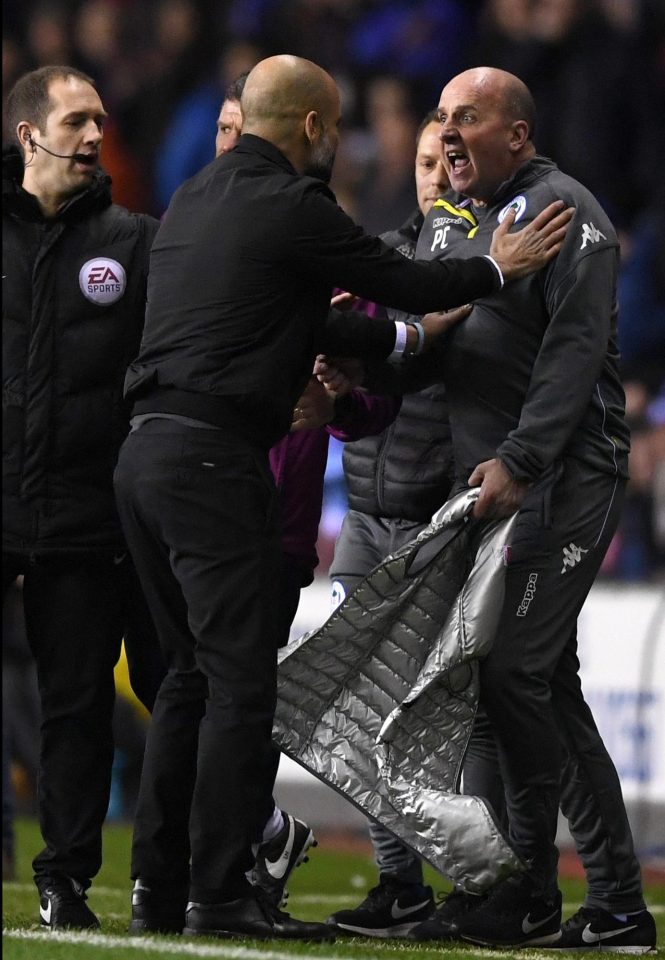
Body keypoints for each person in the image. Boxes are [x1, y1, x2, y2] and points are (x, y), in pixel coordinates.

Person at [113, 53, 571, 942]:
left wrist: (394, 343)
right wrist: (494, 268)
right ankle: (220, 893)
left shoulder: (198, 201)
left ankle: (157, 887)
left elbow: (309, 319)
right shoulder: (296, 206)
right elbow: (406, 276)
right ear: (315, 129)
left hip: (143, 461)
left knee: (187, 685)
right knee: (240, 689)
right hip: (213, 465)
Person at [329, 66, 655, 953]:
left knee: (517, 675)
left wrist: (518, 460)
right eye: (437, 118)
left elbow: (574, 352)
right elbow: (439, 349)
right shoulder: (454, 227)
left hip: (565, 478)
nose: (442, 135)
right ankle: (586, 899)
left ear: (516, 133)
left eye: (464, 118)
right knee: (535, 681)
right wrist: (367, 368)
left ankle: (550, 891)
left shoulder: (564, 212)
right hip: (502, 486)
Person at [2, 65, 163, 930]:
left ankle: (63, 880)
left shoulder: (132, 241)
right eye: (78, 120)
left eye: (101, 118)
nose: (97, 135)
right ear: (31, 135)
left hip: (82, 511)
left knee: (77, 705)